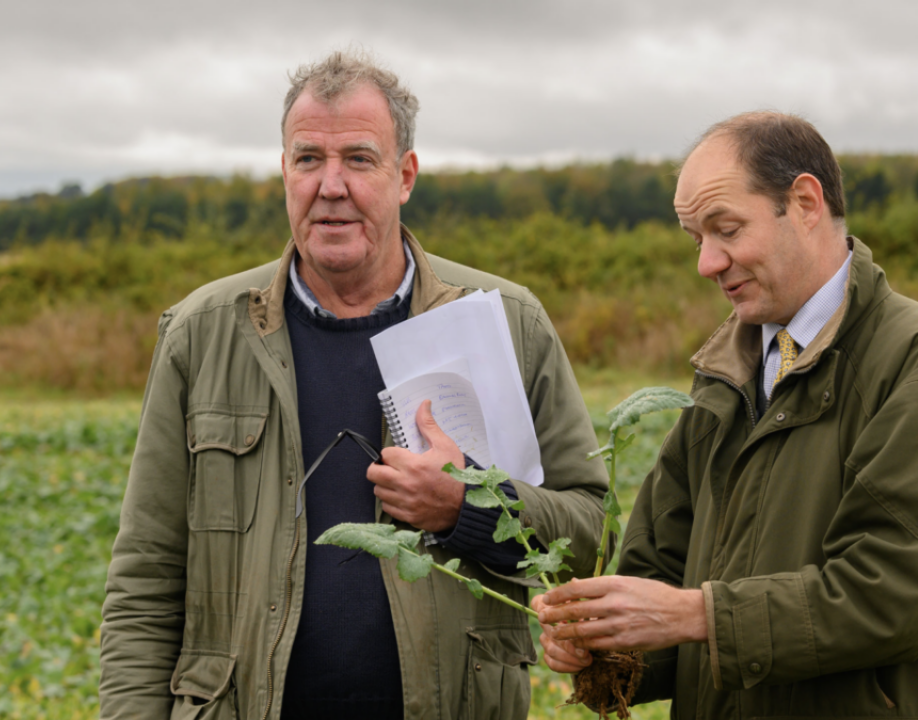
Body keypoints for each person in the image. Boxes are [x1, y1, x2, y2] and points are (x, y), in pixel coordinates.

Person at [99, 50, 608, 720]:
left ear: (405, 176)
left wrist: (468, 509)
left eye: (359, 160)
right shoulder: (203, 332)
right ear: (284, 172)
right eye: (309, 159)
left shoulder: (506, 322)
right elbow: (146, 577)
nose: (330, 185)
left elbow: (585, 539)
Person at [534, 112, 918, 719]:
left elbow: (894, 594)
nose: (708, 263)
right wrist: (605, 645)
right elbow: (663, 569)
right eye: (697, 239)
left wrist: (695, 615)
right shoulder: (724, 373)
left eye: (726, 229)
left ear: (806, 202)